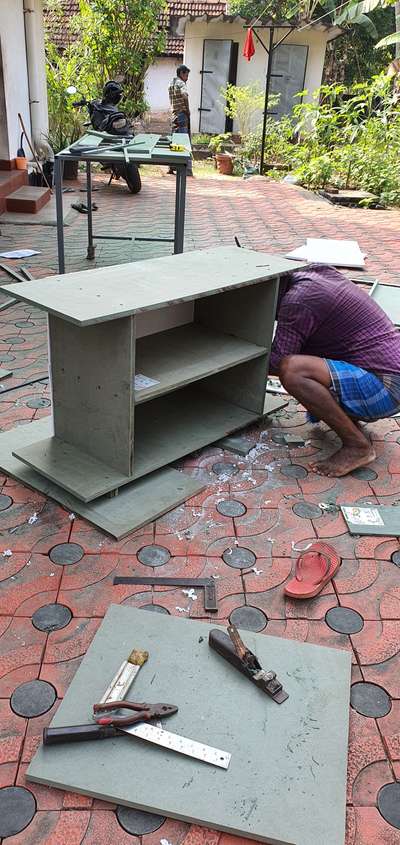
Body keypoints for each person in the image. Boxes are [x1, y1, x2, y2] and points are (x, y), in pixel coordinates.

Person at [269, 264, 400, 477]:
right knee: (305, 366)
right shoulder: (313, 273)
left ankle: (357, 446)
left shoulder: (298, 301)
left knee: (292, 370)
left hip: (387, 387)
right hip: (385, 374)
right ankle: (351, 421)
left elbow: (276, 361)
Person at [168, 64, 193, 176]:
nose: (187, 78)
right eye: (186, 75)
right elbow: (185, 95)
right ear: (182, 73)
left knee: (175, 141)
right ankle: (187, 169)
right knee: (185, 141)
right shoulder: (181, 83)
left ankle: (172, 166)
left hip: (174, 115)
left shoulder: (171, 84)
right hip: (182, 114)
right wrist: (187, 110)